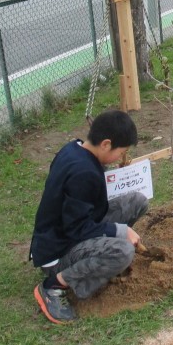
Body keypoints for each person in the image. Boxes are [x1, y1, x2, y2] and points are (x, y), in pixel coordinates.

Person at [29, 109, 149, 324]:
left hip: (75, 228)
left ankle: (101, 258)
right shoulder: (83, 173)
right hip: (59, 252)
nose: (121, 157)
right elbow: (77, 229)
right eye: (121, 152)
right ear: (106, 144)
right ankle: (54, 286)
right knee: (123, 251)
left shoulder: (74, 148)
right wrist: (120, 231)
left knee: (137, 201)